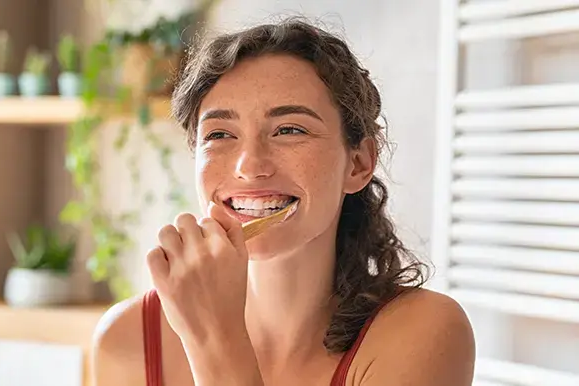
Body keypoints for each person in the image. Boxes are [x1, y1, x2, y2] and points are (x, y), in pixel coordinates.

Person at [92, 18, 475, 386]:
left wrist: (215, 339)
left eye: (289, 130)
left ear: (358, 164)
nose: (249, 166)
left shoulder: (423, 333)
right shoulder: (127, 341)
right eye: (220, 134)